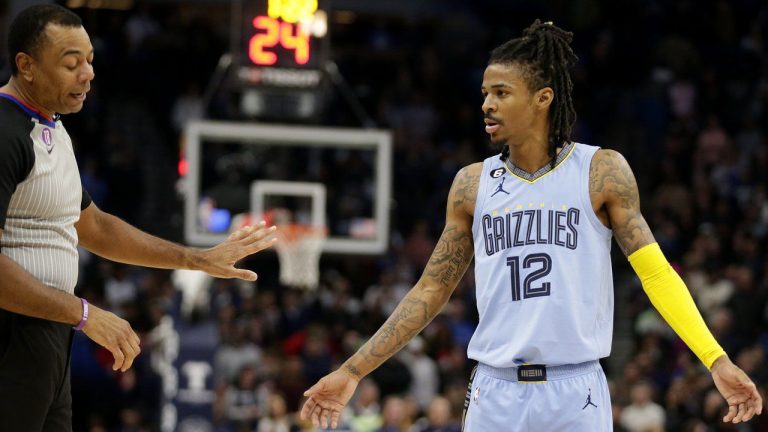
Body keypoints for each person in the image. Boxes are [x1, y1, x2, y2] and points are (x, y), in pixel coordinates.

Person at [300, 20, 763, 430]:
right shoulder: (471, 185)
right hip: (495, 390)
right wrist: (353, 370)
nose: (487, 104)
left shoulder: (600, 171)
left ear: (543, 98)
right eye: (485, 93)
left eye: (501, 93)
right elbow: (430, 290)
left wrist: (715, 359)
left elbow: (656, 274)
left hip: (576, 388)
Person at [0, 5, 276, 431]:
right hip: (13, 334)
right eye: (71, 64)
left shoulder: (53, 130)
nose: (88, 74)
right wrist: (85, 314)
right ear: (27, 66)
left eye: (90, 60)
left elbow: (95, 226)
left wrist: (197, 259)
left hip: (49, 337)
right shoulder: (5, 132)